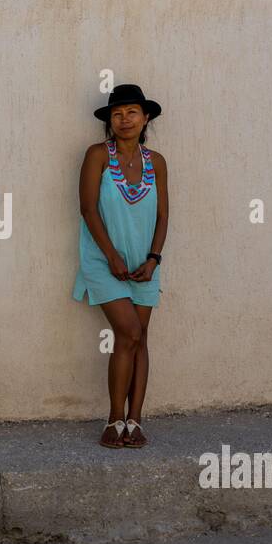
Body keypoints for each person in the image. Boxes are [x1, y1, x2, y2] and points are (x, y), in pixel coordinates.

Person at [72, 84, 169, 448]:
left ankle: (135, 421)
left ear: (146, 118)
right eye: (117, 113)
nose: (124, 119)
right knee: (128, 333)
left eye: (132, 112)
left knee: (140, 339)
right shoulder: (97, 154)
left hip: (145, 263)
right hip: (104, 260)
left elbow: (162, 214)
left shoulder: (156, 162)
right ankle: (114, 419)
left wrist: (154, 259)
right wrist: (111, 256)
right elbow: (88, 209)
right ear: (109, 121)